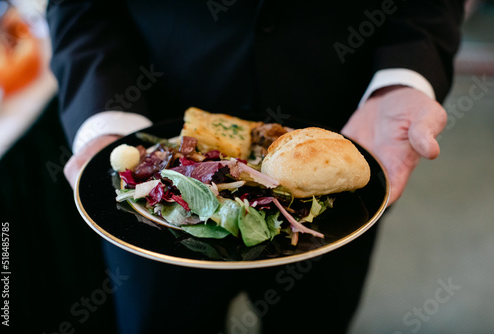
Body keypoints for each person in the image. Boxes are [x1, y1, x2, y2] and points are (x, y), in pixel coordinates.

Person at [47, 1, 465, 333]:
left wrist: (401, 78)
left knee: (316, 321)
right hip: (160, 193)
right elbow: (82, 8)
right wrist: (110, 124)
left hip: (342, 162)